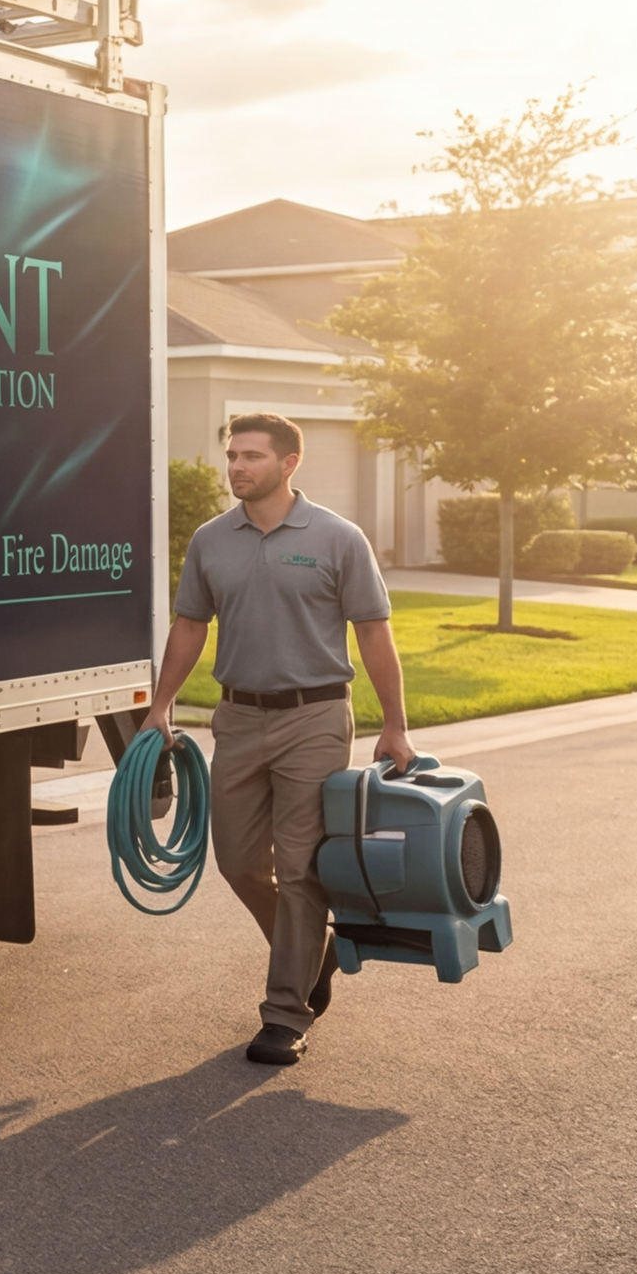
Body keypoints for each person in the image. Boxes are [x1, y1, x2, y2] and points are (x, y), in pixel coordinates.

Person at [145, 412, 414, 1065]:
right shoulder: (212, 540)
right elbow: (188, 626)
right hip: (236, 717)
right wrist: (160, 707)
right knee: (237, 857)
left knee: (298, 865)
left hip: (314, 718)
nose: (237, 466)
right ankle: (313, 951)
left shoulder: (336, 538)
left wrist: (395, 723)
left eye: (252, 456)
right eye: (232, 455)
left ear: (289, 463)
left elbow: (373, 632)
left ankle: (285, 1012)